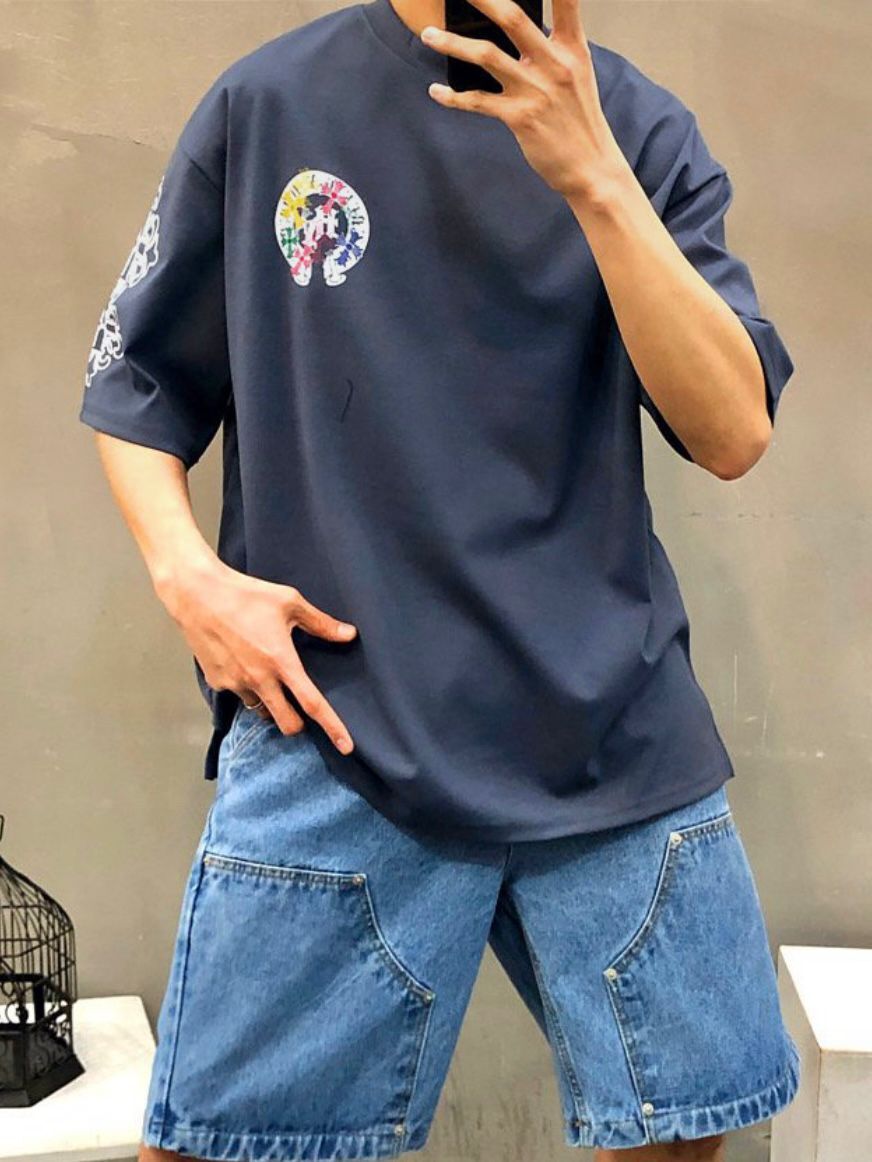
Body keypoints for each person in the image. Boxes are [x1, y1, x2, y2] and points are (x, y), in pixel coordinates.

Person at [78, 0, 801, 1157]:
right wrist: (189, 578)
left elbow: (730, 431)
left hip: (608, 732)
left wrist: (594, 178)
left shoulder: (637, 129)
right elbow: (137, 383)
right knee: (226, 1143)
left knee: (683, 1133)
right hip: (338, 725)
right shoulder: (270, 106)